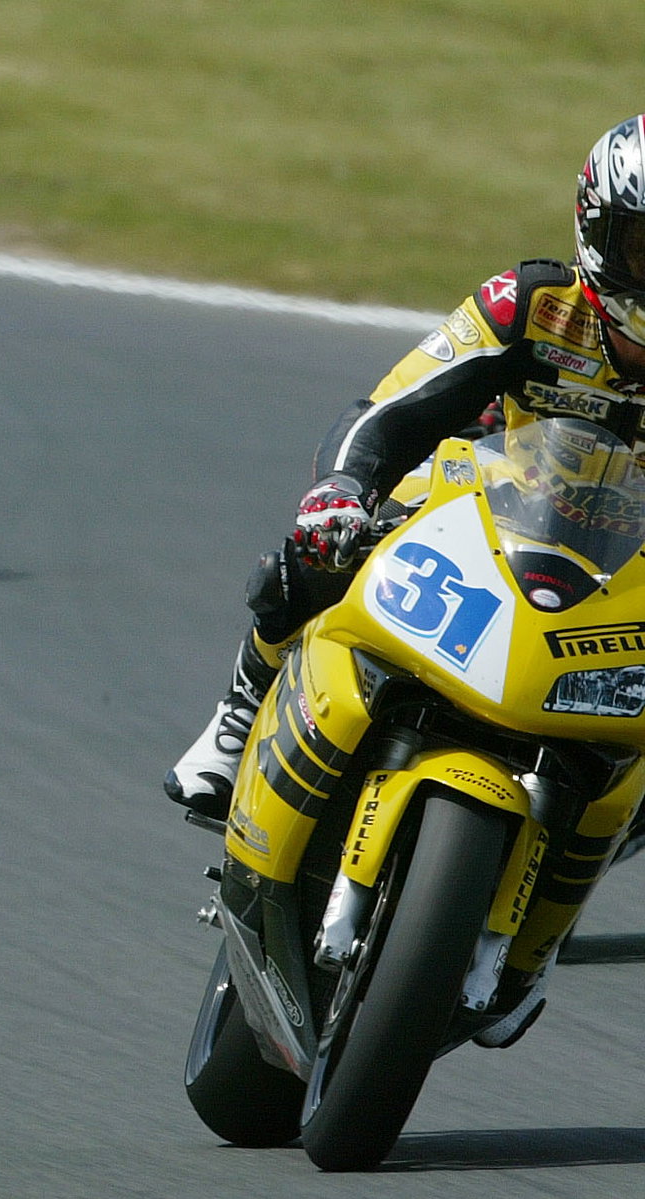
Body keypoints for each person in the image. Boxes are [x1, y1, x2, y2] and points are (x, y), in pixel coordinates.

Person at [165, 113, 645, 820]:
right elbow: (393, 408)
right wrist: (342, 488)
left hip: (626, 565)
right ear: (599, 232)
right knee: (326, 543)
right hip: (498, 507)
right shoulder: (532, 303)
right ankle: (238, 718)